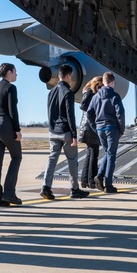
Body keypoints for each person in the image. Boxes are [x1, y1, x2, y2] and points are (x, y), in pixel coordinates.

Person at [40, 64, 89, 200]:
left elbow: (49, 112)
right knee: (72, 161)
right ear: (68, 76)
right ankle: (74, 189)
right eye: (70, 76)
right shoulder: (68, 93)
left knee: (52, 160)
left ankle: (46, 187)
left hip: (53, 131)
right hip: (65, 132)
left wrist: (51, 128)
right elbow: (70, 115)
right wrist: (74, 135)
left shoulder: (51, 92)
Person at [0, 62, 23, 206]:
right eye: (15, 72)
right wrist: (17, 130)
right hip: (4, 124)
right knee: (17, 156)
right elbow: (12, 110)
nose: (16, 75)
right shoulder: (10, 87)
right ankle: (9, 193)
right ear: (9, 72)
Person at [86, 72, 125, 194]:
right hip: (111, 128)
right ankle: (108, 184)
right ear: (112, 82)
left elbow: (89, 114)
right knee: (112, 155)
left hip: (100, 129)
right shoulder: (115, 96)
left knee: (108, 153)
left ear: (103, 82)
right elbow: (120, 114)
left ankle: (100, 175)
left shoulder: (95, 97)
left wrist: (95, 127)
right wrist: (121, 129)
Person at [78, 76, 103, 190]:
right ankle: (92, 179)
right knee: (94, 154)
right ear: (97, 84)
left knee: (90, 154)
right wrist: (94, 110)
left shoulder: (89, 91)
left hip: (87, 127)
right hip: (90, 127)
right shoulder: (90, 92)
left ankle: (85, 180)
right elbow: (83, 105)